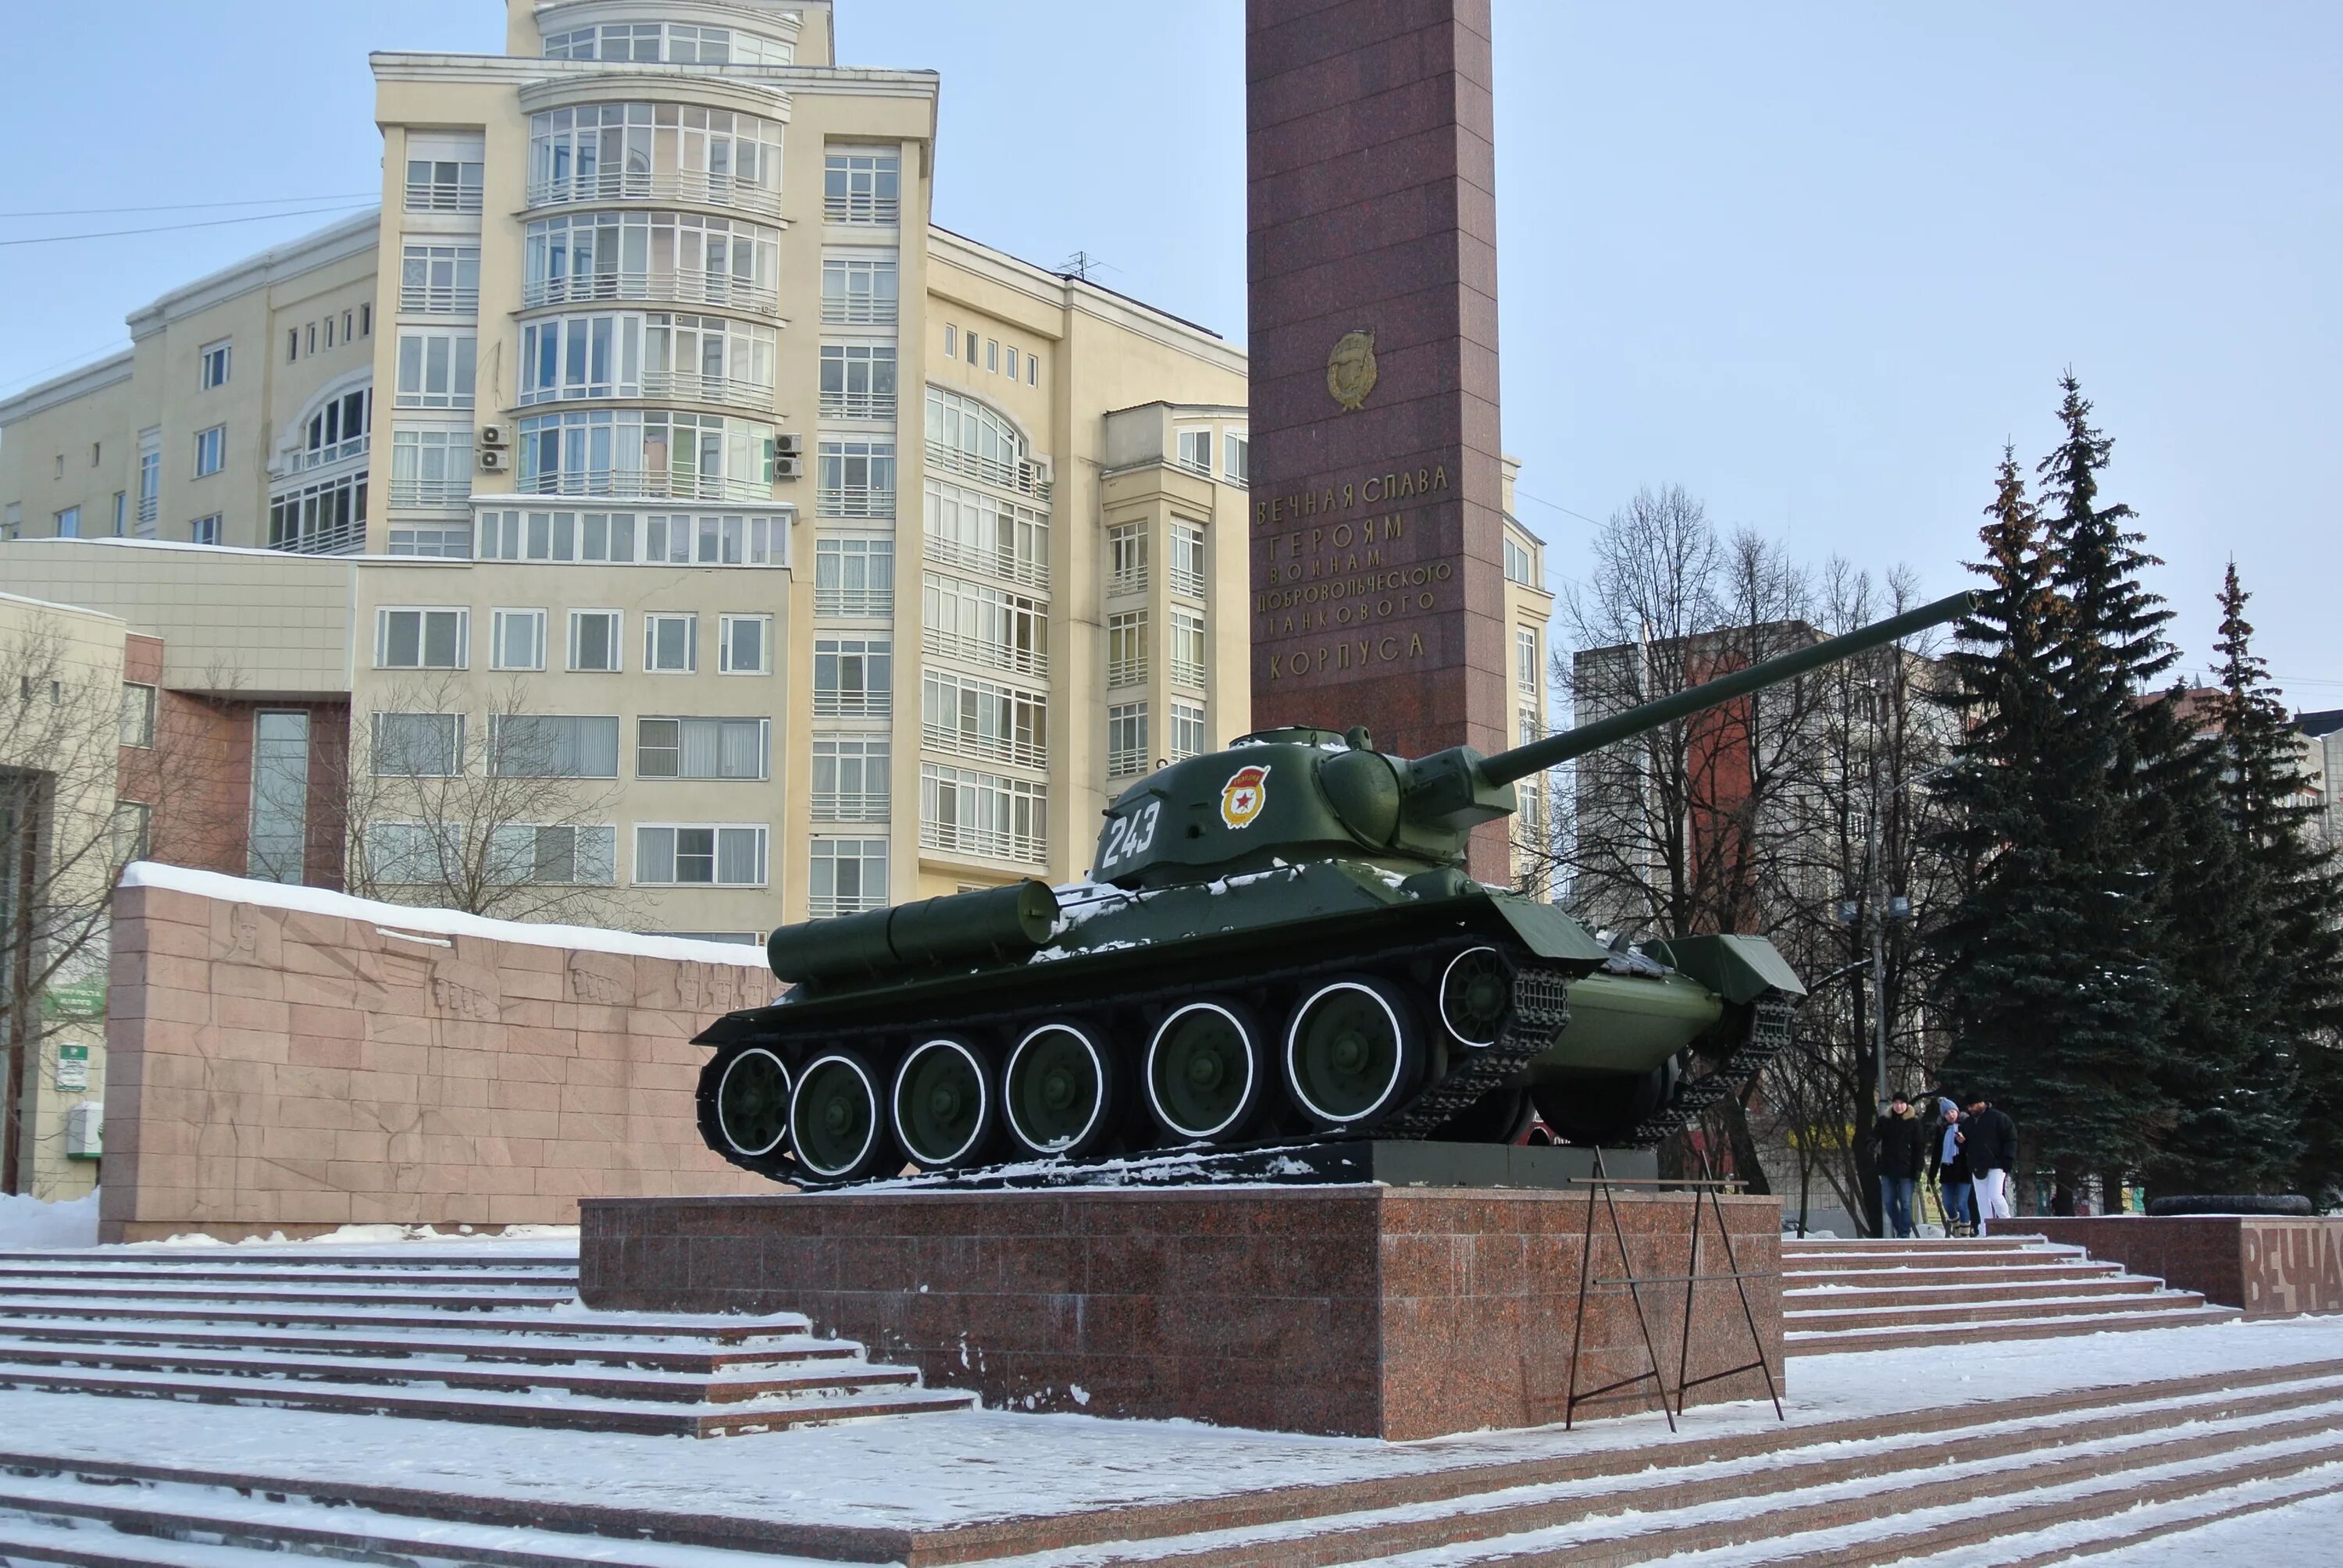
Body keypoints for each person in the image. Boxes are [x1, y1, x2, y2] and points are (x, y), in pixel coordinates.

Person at [1870, 1094, 1925, 1238]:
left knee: (1906, 1203)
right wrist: (1871, 1142)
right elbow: (1876, 1134)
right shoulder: (1885, 1121)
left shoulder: (1914, 1123)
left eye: (1902, 1103)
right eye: (1896, 1103)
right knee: (1889, 1202)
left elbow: (1919, 1147)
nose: (1899, 1106)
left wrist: (1918, 1168)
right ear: (1892, 1104)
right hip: (1888, 1168)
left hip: (1907, 1169)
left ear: (1907, 1105)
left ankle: (1904, 1233)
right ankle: (1900, 1226)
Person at [1965, 1096, 2019, 1235]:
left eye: (1972, 1105)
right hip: (1977, 1165)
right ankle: (1985, 1229)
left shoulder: (1999, 1118)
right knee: (1982, 1199)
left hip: (1997, 1163)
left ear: (1982, 1103)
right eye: (1968, 1107)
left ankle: (2007, 1224)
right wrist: (1961, 1142)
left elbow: (2011, 1139)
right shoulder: (1969, 1122)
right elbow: (1967, 1144)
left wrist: (2008, 1158)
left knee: (1995, 1195)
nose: (1970, 1109)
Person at [1931, 1098, 1974, 1236]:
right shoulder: (1941, 1131)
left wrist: (1964, 1142)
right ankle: (1956, 1227)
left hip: (1964, 1171)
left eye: (1953, 1111)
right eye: (1947, 1113)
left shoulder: (1967, 1126)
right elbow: (1936, 1153)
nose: (1951, 1115)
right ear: (1944, 1116)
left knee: (1962, 1204)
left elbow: (1973, 1149)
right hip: (1947, 1172)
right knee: (1948, 1204)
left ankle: (1965, 1235)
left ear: (1957, 1111)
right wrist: (1932, 1174)